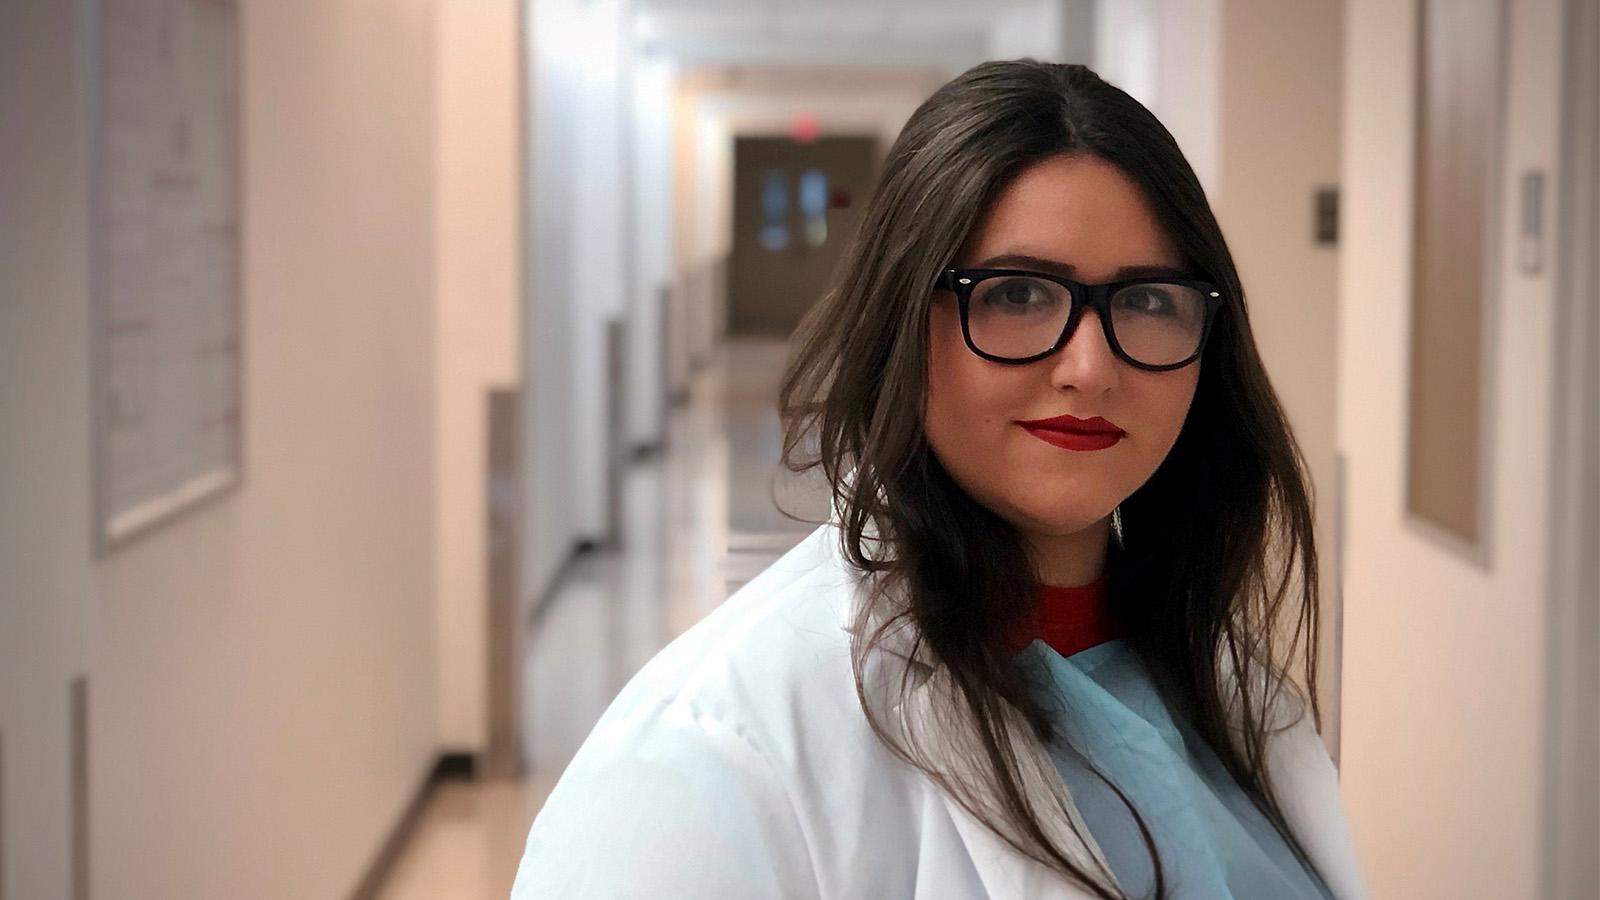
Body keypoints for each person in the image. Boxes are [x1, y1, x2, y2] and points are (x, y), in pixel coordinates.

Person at [510, 60, 1366, 899]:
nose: (1090, 367)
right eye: (1020, 294)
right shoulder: (713, 760)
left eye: (1146, 301)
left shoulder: (1211, 680)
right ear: (902, 317)